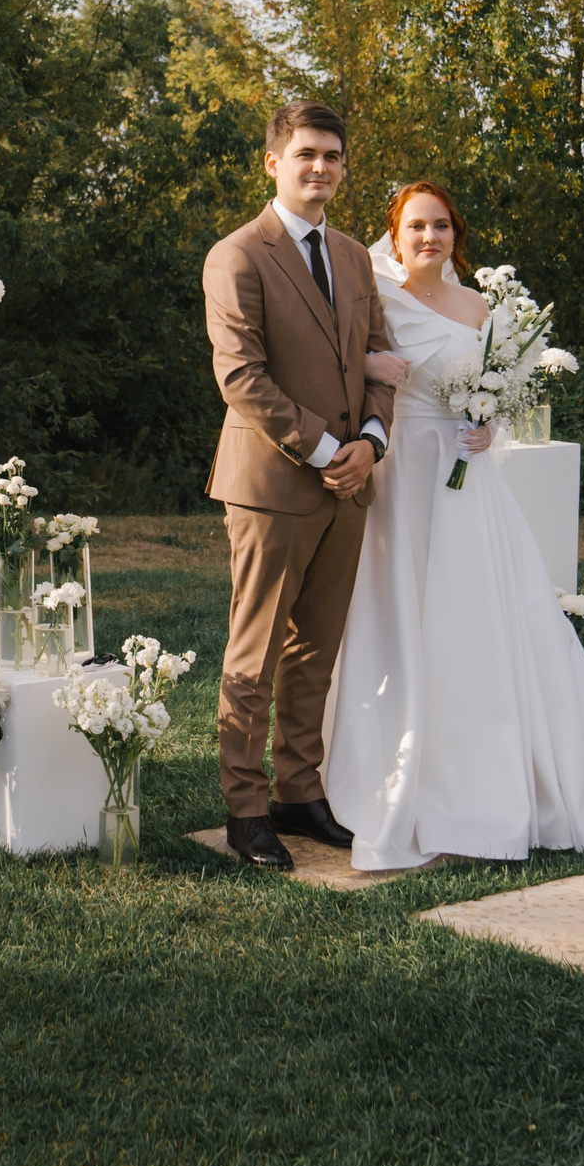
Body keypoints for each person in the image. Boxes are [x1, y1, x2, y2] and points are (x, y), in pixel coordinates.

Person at [321, 180, 584, 872]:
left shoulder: (480, 307)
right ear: (395, 235)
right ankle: (391, 768)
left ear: (455, 236)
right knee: (398, 608)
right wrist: (370, 363)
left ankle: (492, 776)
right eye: (416, 226)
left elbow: (496, 391)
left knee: (475, 614)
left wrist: (488, 424)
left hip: (466, 476)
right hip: (402, 470)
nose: (429, 237)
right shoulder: (377, 297)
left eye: (441, 226)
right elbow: (337, 362)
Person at [201, 100, 398, 869]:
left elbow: (379, 357)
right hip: (273, 484)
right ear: (273, 162)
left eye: (333, 155)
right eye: (307, 153)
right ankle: (246, 809)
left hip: (349, 484)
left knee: (315, 649)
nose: (321, 166)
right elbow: (241, 376)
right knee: (255, 655)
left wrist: (371, 443)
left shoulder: (353, 256)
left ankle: (298, 790)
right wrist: (325, 448)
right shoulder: (238, 255)